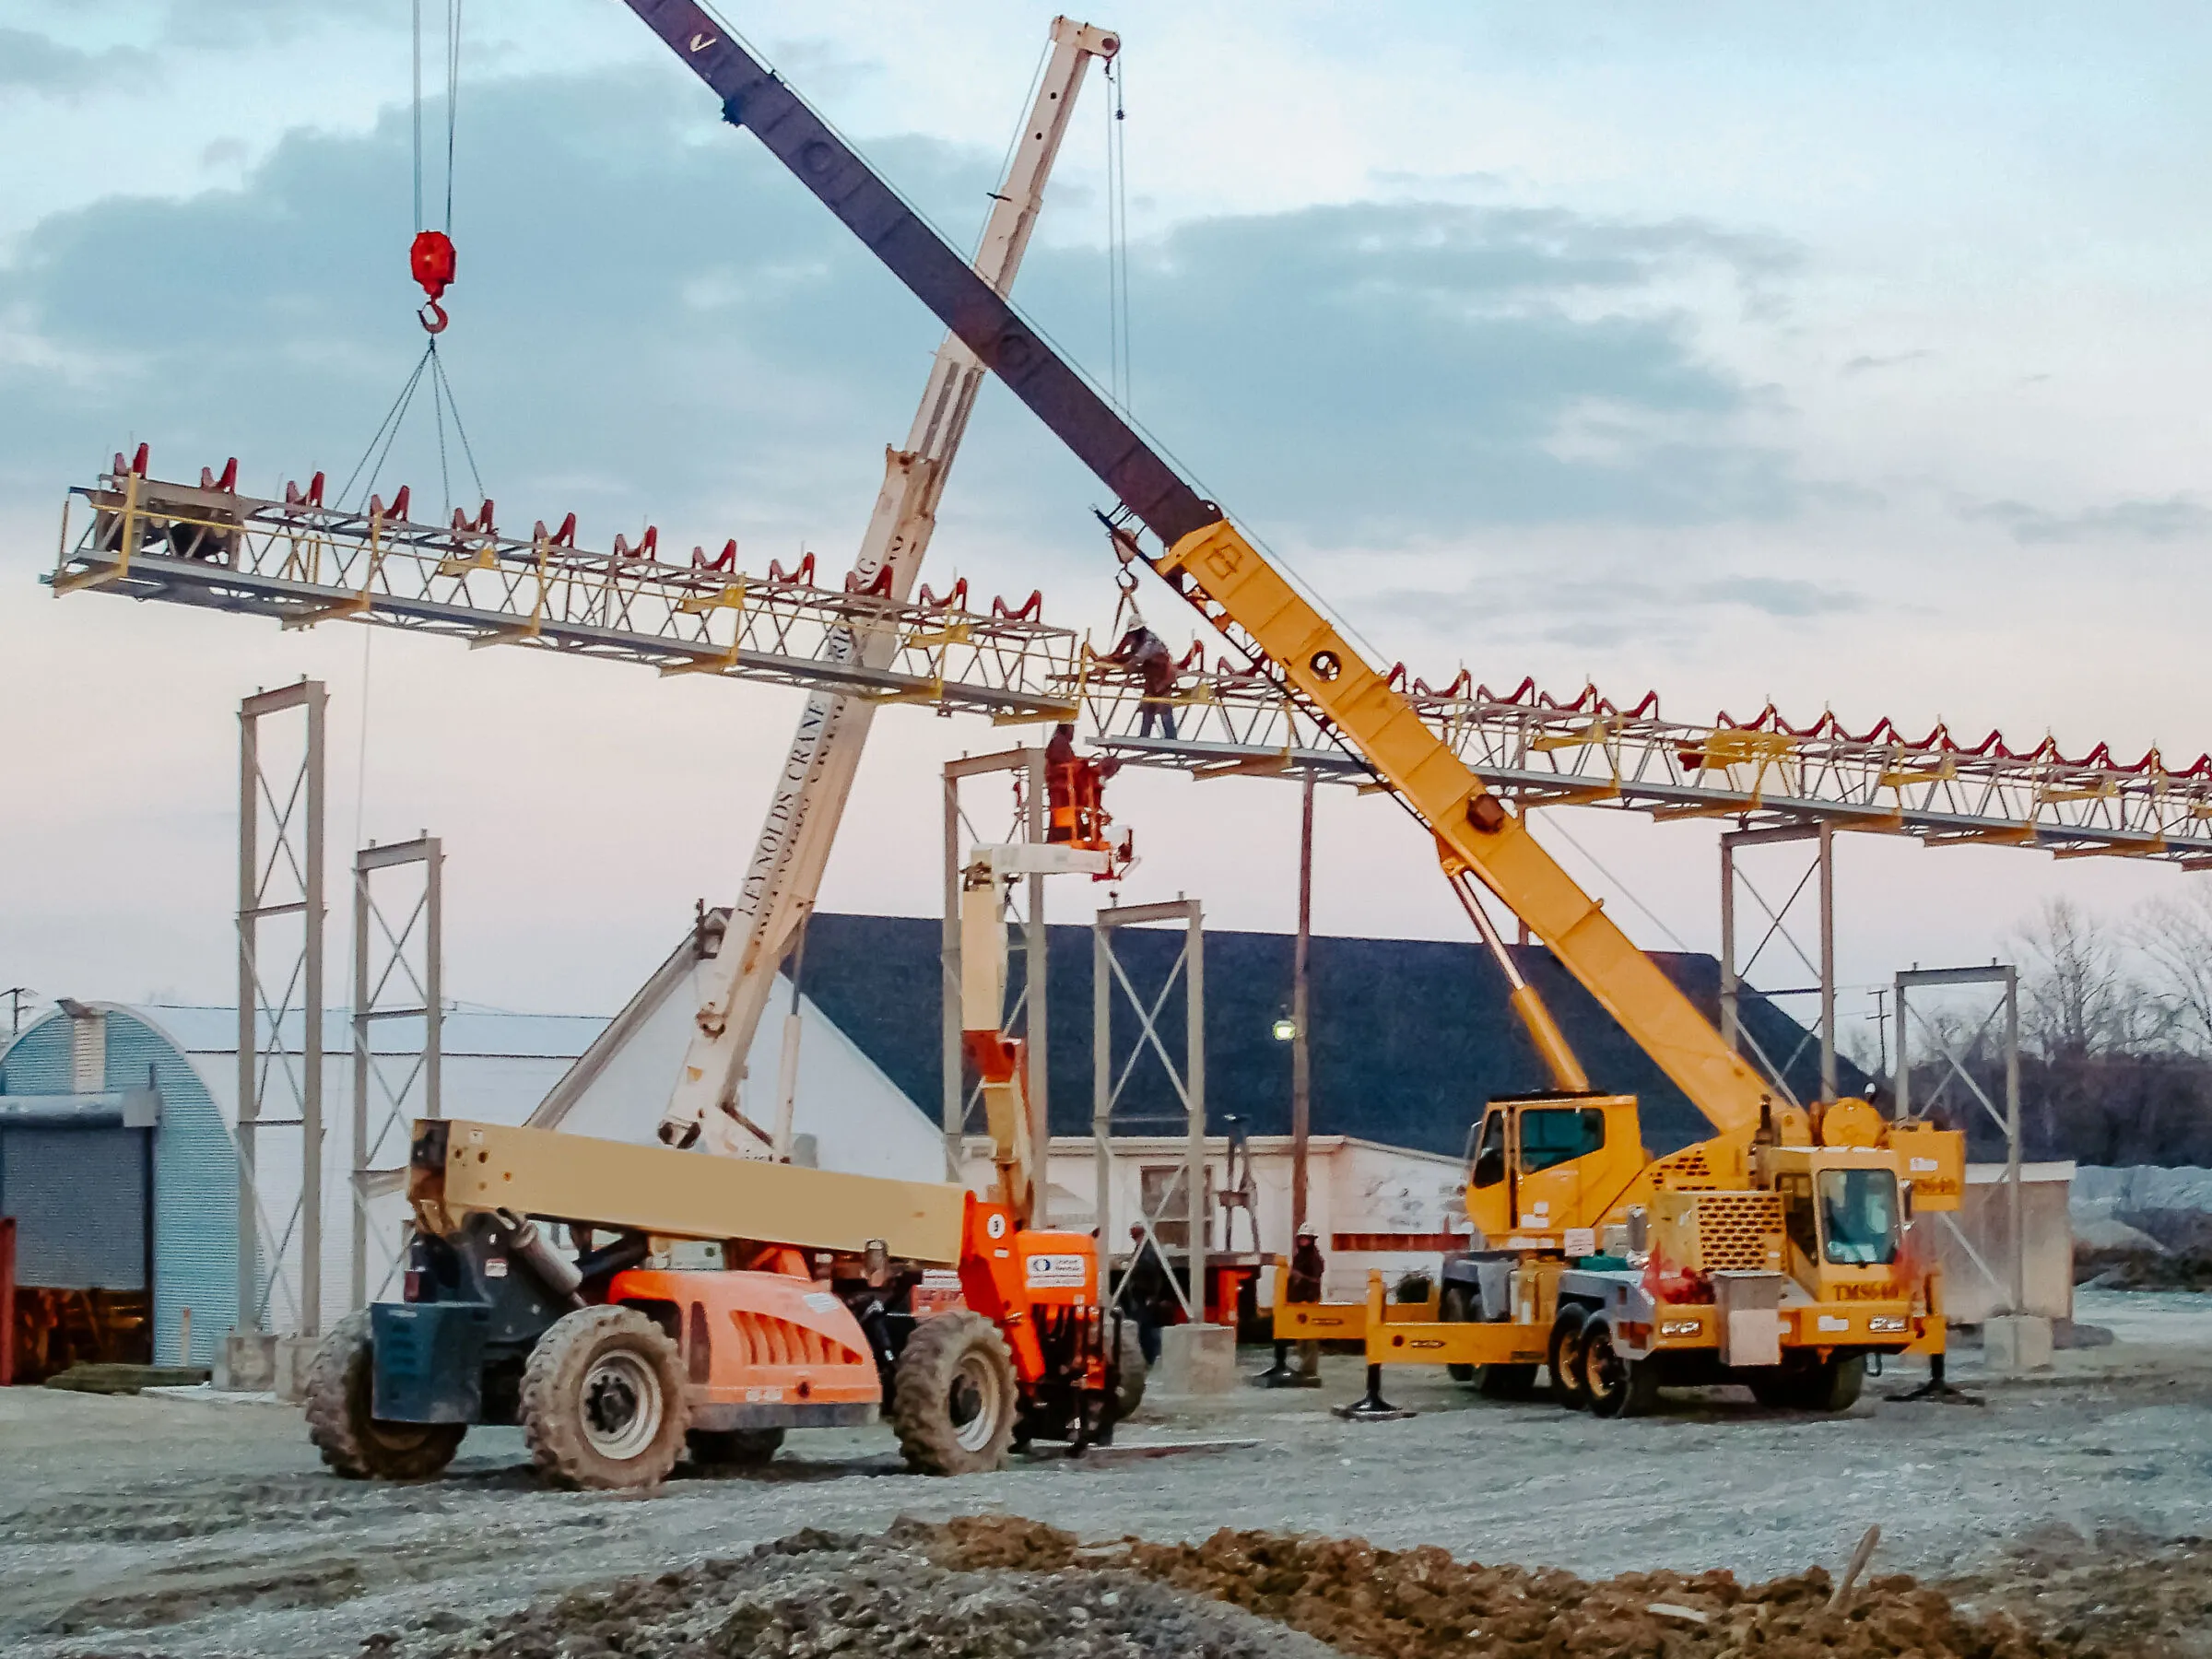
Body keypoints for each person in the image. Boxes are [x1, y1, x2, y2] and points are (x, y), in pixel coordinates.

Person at [1108, 611, 1179, 740]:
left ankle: (1171, 738)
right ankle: (1144, 736)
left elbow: (1141, 656)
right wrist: (1117, 657)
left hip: (1163, 677)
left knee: (1164, 708)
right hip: (1151, 678)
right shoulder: (1139, 640)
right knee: (1148, 706)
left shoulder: (1150, 640)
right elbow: (1127, 653)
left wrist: (1130, 665)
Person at [1122, 1222, 1174, 1367]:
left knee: (1148, 1330)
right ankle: (1153, 1359)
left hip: (1146, 1297)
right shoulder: (1145, 1249)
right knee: (1146, 1329)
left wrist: (1132, 1267)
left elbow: (1149, 1270)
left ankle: (1154, 1359)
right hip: (1145, 1297)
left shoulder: (1147, 1251)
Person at [1288, 1225, 1325, 1304]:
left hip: (1309, 1300)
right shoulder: (1298, 1256)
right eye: (1301, 1238)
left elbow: (1316, 1280)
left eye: (1306, 1238)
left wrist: (1301, 1277)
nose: (1303, 1241)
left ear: (1312, 1240)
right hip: (1296, 1299)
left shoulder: (1315, 1258)